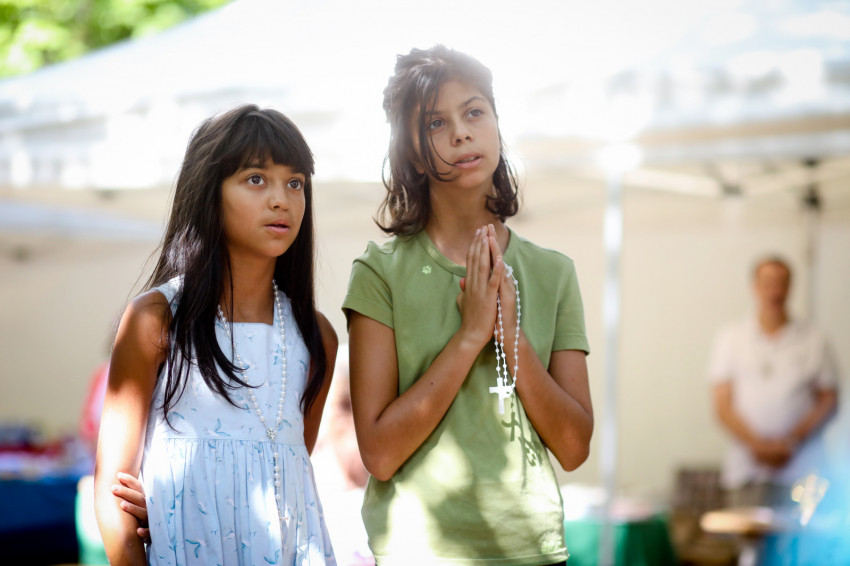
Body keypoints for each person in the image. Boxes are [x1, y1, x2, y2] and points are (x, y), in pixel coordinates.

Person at [343, 45, 593, 565]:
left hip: (532, 551)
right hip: (417, 551)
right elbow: (380, 455)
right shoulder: (378, 273)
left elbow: (574, 448)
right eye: (436, 123)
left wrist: (509, 336)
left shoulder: (554, 273)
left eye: (474, 112)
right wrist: (470, 336)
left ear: (497, 126)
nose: (461, 132)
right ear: (413, 154)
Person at [94, 104, 338, 565]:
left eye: (295, 182)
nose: (282, 200)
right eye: (256, 179)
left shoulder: (316, 336)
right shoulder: (157, 319)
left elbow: (287, 479)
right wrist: (177, 500)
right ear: (210, 192)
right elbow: (113, 491)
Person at [707, 255, 840, 507]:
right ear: (755, 287)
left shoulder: (814, 339)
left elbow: (829, 400)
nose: (775, 291)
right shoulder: (730, 338)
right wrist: (757, 445)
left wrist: (791, 441)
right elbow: (722, 406)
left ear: (790, 287)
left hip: (802, 471)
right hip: (747, 472)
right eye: (768, 283)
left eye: (781, 283)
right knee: (746, 531)